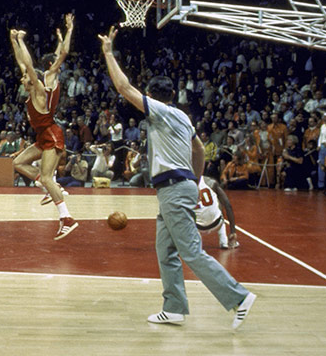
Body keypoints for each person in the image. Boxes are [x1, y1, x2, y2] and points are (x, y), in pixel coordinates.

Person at [99, 26, 255, 329]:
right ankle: (173, 307)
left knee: (191, 252)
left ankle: (238, 297)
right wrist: (196, 180)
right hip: (179, 186)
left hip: (172, 187)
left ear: (155, 97)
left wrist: (108, 52)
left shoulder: (160, 112)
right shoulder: (184, 117)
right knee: (165, 249)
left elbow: (123, 87)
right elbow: (199, 150)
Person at [9, 13, 78, 240]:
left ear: (33, 80)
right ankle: (45, 185)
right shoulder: (32, 87)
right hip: (42, 136)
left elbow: (28, 64)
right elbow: (22, 63)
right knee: (18, 162)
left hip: (51, 135)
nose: (21, 80)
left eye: (25, 78)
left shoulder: (40, 91)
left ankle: (66, 218)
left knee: (48, 178)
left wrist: (21, 40)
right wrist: (13, 40)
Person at [196, 175, 239, 249]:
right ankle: (224, 241)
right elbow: (228, 205)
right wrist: (233, 232)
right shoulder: (211, 182)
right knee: (219, 204)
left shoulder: (184, 186)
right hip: (216, 224)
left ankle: (193, 241)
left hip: (197, 227)